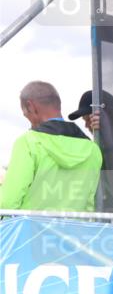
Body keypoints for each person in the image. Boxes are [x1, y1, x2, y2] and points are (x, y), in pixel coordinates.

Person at [1, 82, 102, 212]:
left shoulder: (28, 143)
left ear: (30, 106)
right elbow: (90, 205)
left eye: (26, 114)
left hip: (30, 231)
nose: (28, 120)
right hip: (75, 231)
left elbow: (8, 203)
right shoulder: (93, 149)